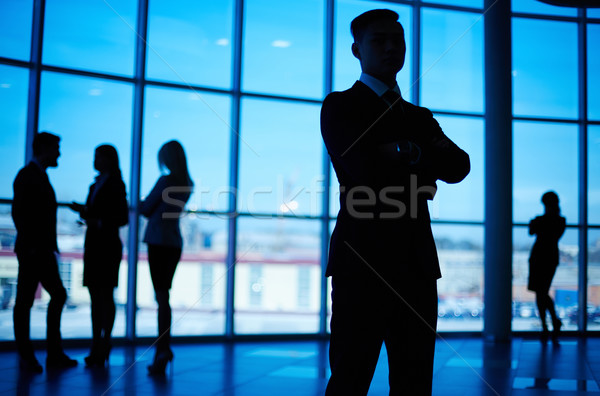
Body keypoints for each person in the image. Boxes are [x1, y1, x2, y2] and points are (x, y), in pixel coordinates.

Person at [320, 9, 470, 395]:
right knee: (350, 380)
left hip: (415, 268)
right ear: (357, 50)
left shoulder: (419, 115)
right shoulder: (340, 106)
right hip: (361, 266)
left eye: (397, 41)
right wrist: (421, 155)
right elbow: (362, 166)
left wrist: (403, 152)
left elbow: (459, 166)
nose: (390, 48)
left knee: (415, 381)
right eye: (378, 41)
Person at [11, 132, 78, 372]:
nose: (59, 153)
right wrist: (34, 247)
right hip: (34, 250)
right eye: (56, 148)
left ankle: (41, 354)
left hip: (38, 249)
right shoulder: (29, 176)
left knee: (34, 300)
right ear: (44, 149)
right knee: (30, 300)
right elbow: (20, 214)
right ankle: (37, 355)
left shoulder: (34, 175)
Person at [68, 144, 128, 367]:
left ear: (108, 160)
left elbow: (122, 217)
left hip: (106, 245)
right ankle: (99, 342)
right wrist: (85, 211)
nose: (95, 160)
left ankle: (103, 341)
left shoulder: (115, 184)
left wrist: (97, 221)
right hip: (95, 244)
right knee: (97, 295)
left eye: (98, 156)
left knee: (104, 294)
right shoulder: (96, 184)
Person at [140, 140, 193, 376]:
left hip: (158, 242)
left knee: (161, 296)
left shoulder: (165, 181)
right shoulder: (187, 183)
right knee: (164, 295)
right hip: (173, 241)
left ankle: (162, 349)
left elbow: (146, 208)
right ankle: (164, 348)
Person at [528, 191, 566, 343]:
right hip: (545, 257)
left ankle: (548, 324)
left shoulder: (546, 220)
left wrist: (538, 223)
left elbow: (533, 231)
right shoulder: (559, 220)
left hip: (541, 257)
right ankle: (550, 323)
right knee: (540, 292)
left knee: (541, 292)